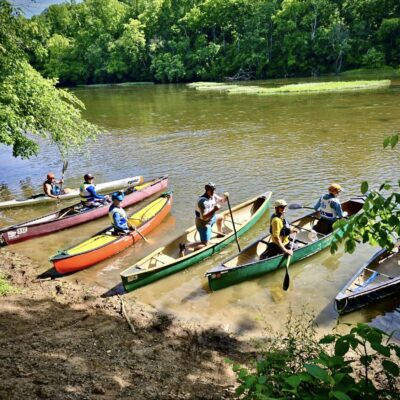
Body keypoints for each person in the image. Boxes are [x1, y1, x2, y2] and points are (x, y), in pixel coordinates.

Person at [179, 182, 228, 256]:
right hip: (203, 223)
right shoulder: (202, 202)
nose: (213, 192)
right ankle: (184, 246)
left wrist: (225, 197)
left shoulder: (213, 195)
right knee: (205, 244)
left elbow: (221, 200)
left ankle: (219, 233)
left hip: (211, 218)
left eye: (214, 190)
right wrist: (214, 209)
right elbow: (204, 217)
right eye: (211, 190)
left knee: (220, 217)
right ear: (207, 190)